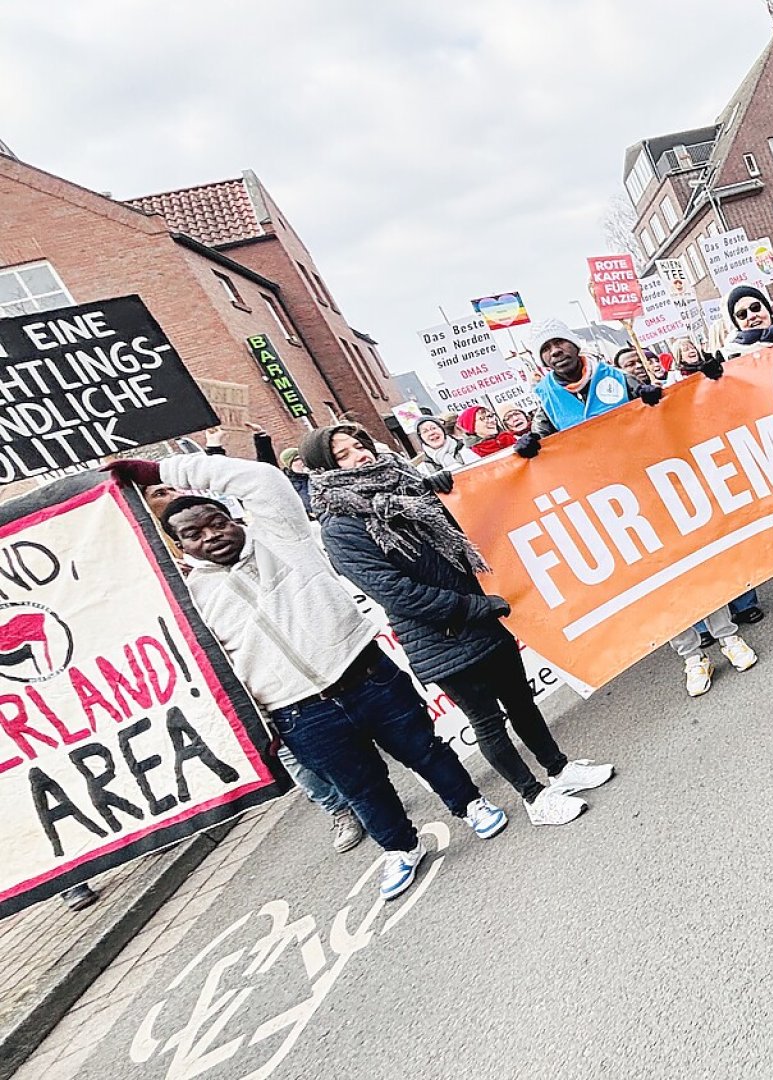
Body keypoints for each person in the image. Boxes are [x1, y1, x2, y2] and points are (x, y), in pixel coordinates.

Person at [107, 454, 509, 902]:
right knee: (361, 788)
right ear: (179, 546)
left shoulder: (283, 536)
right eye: (193, 535)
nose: (211, 537)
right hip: (298, 713)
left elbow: (261, 478)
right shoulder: (191, 596)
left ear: (233, 516)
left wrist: (160, 472)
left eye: (216, 523)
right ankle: (401, 848)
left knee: (426, 751)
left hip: (366, 674)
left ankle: (470, 805)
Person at [301, 425, 617, 826]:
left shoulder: (409, 487)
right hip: (443, 638)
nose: (360, 455)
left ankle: (558, 767)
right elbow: (396, 592)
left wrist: (463, 485)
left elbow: (470, 519)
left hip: (484, 618)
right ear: (324, 469)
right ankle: (533, 797)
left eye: (359, 445)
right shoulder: (340, 527)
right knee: (487, 722)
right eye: (343, 454)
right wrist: (471, 606)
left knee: (522, 702)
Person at [530, 335, 663, 435]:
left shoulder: (620, 378)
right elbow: (540, 439)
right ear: (543, 361)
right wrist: (529, 444)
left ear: (576, 346)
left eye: (560, 342)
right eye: (546, 349)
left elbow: (660, 418)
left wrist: (657, 398)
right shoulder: (546, 401)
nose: (555, 351)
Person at [722, 284, 773, 358]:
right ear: (736, 323)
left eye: (755, 307)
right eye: (742, 314)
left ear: (767, 308)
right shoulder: (730, 356)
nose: (751, 316)